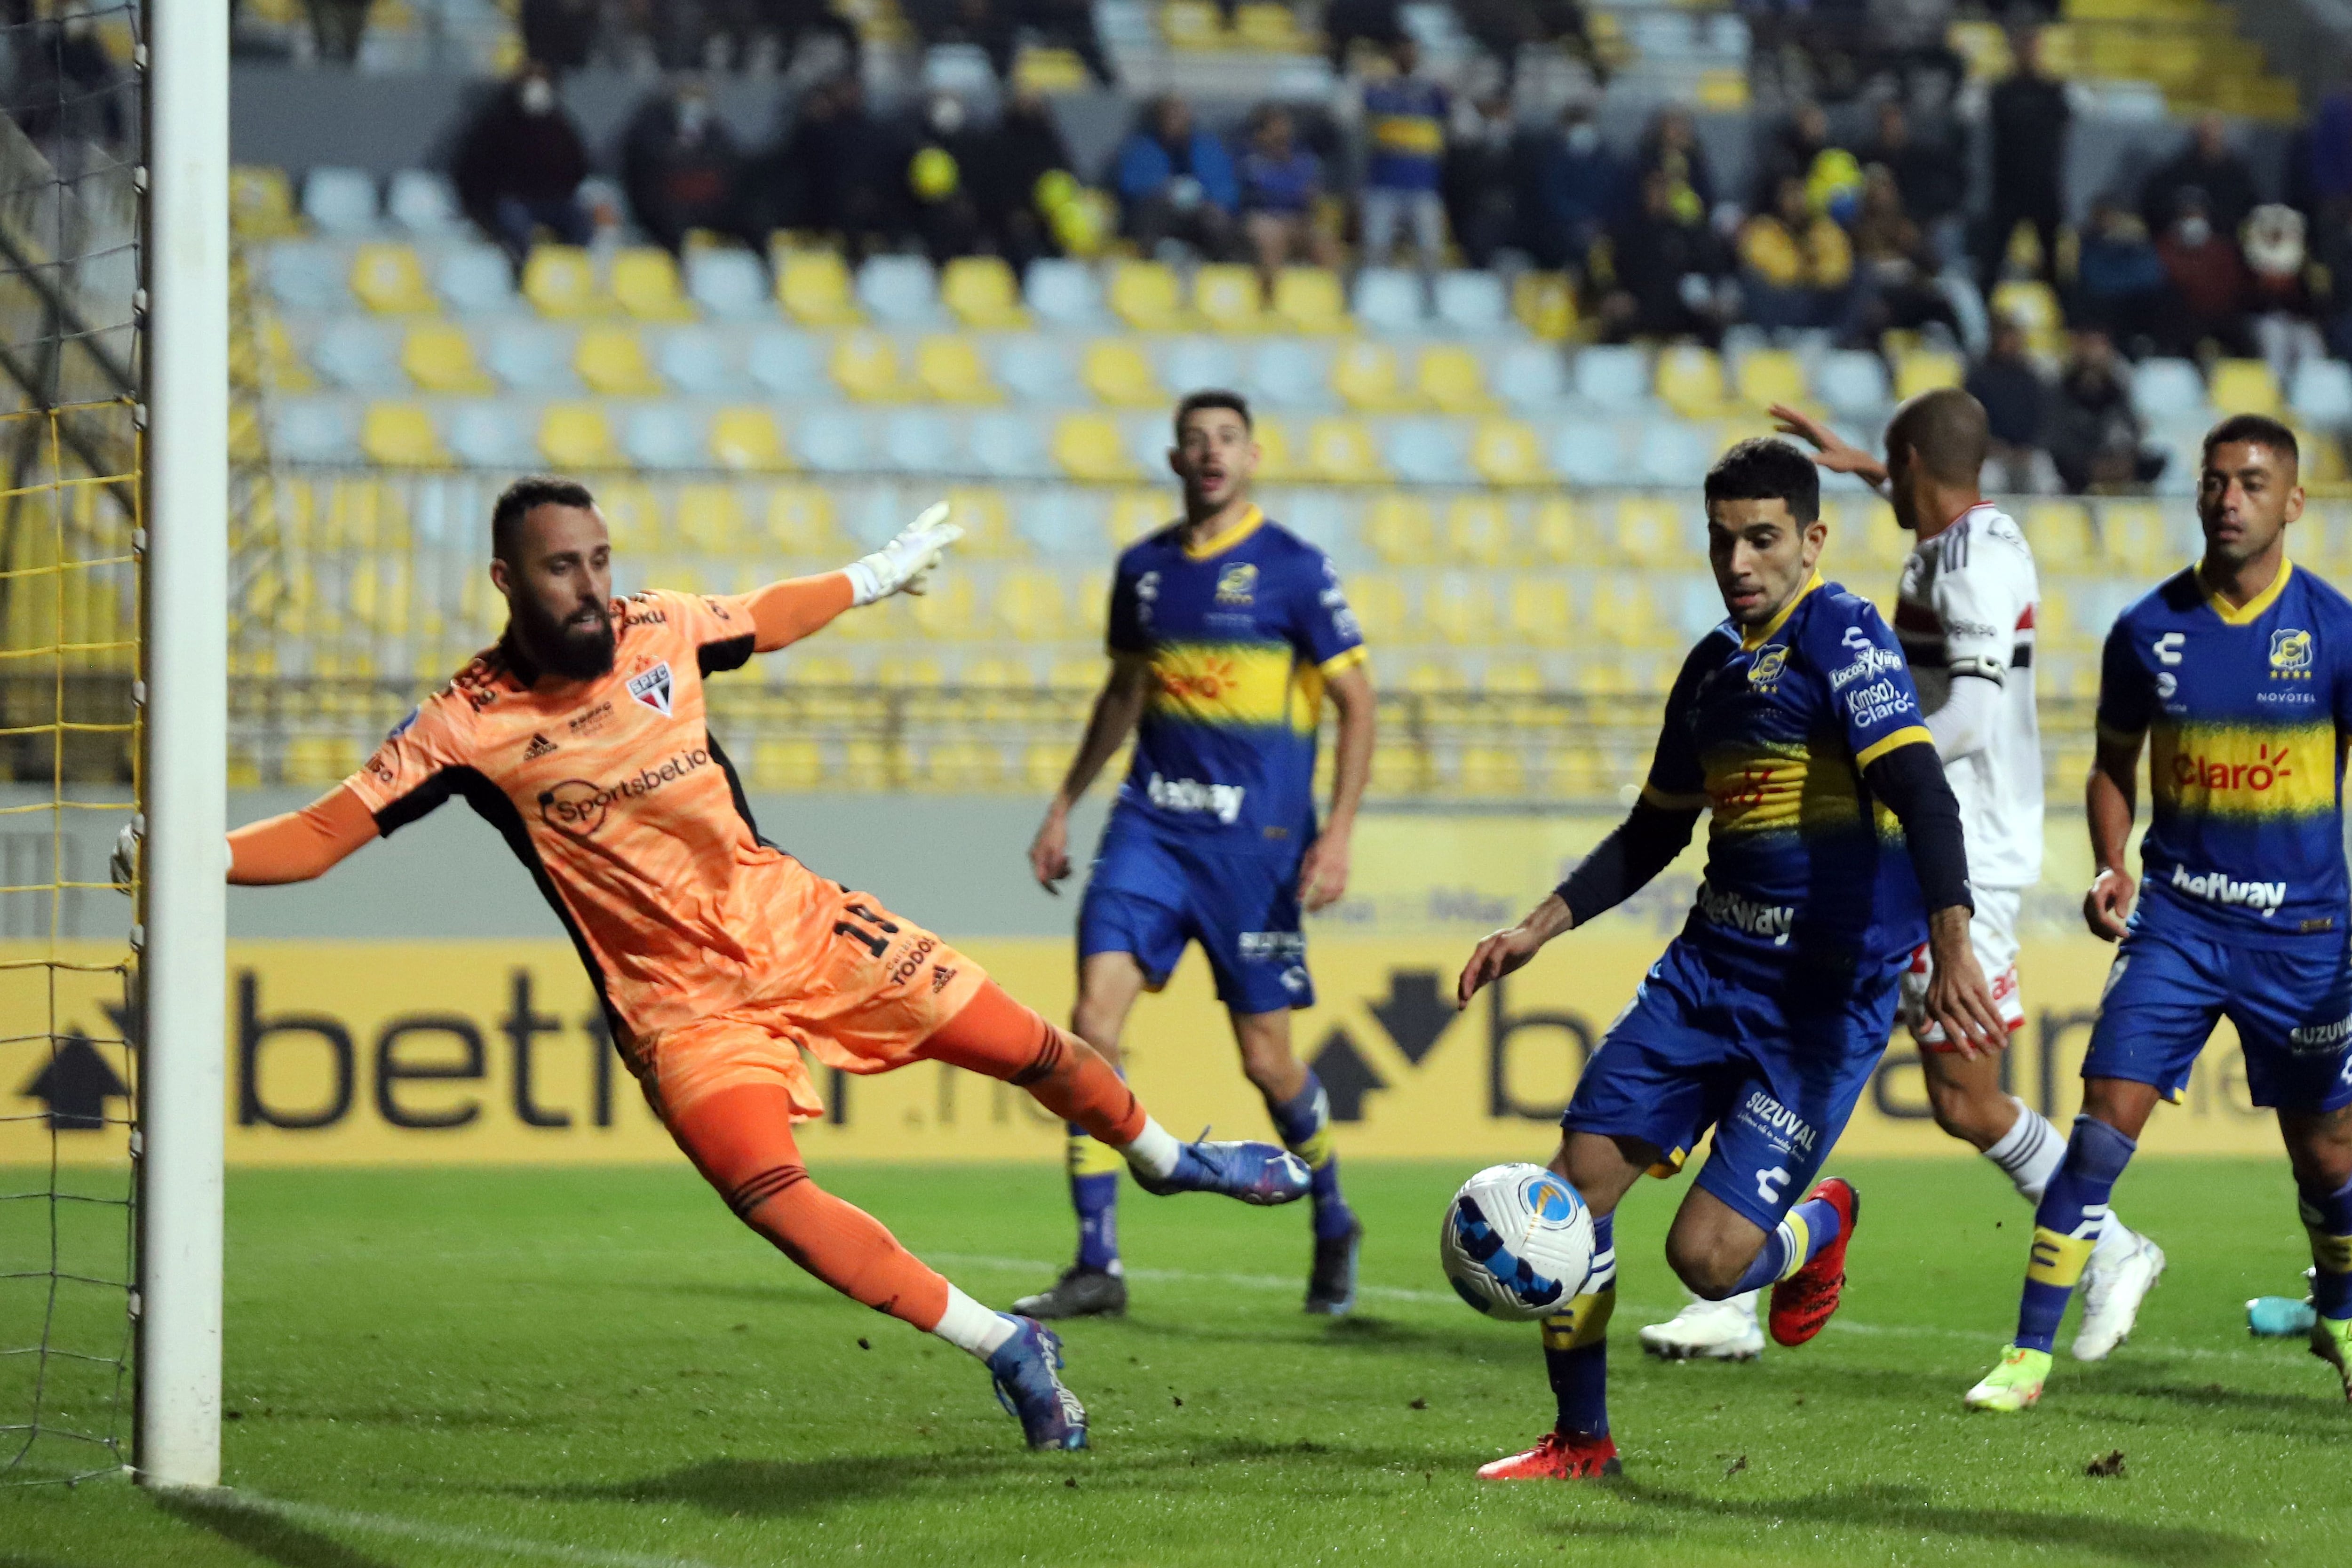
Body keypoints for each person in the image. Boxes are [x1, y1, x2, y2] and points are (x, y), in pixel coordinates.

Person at [193, 480, 1312, 1454]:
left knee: (1035, 1050)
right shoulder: (466, 723)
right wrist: (195, 856)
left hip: (804, 927)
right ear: (504, 579)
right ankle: (1006, 1344)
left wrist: (873, 575)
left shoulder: (659, 629)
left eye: (598, 560)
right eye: (560, 569)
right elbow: (323, 832)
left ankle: (1163, 1157)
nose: (588, 586)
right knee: (769, 1197)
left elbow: (766, 618)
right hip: (679, 1007)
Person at [1457, 438, 2006, 1479]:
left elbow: (1922, 793)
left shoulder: (1844, 637)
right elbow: (1652, 830)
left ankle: (1818, 1224)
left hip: (1818, 1004)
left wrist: (1952, 939)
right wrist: (1539, 922)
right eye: (1722, 541)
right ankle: (1582, 1441)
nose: (1739, 562)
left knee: (1707, 1265)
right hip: (1706, 975)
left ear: (1811, 538)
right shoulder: (1711, 668)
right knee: (1571, 1190)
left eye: (1761, 539)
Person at [1639, 393, 2165, 1364]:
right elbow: (1940, 507)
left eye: (1890, 466)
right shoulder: (1957, 537)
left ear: (1917, 461)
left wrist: (1873, 752)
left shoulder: (1971, 559)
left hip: (1962, 850)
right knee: (1794, 1039)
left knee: (1961, 1094)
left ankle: (2114, 1247)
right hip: (1915, 851)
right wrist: (1865, 467)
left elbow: (1968, 707)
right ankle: (1732, 1288)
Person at [1964, 416, 2352, 1412]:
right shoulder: (2146, 630)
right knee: (2100, 1125)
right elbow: (2110, 764)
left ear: (2293, 503)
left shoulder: (2334, 632)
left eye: (2252, 483)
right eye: (2215, 481)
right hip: (2177, 924)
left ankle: (2341, 1312)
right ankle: (2026, 1354)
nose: (2229, 498)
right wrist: (2110, 863)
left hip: (2303, 937)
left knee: (2328, 1154)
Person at [1016, 391, 1377, 1322]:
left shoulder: (1293, 570)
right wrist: (1064, 802)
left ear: (1252, 456)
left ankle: (1332, 1213)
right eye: (1194, 440)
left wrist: (1334, 834)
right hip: (1149, 829)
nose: (1210, 453)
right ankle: (1097, 1258)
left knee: (1267, 1063)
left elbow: (1359, 704)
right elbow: (1124, 692)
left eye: (1226, 439)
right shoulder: (1144, 571)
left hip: (1253, 848)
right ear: (1175, 459)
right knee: (1090, 1021)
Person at [452, 64, 595, 266]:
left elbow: (579, 164)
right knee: (517, 226)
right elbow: (475, 171)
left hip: (555, 199)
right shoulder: (497, 123)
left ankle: (574, 276)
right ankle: (527, 275)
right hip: (513, 200)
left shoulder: (558, 125)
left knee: (580, 223)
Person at [1596, 166, 1730, 346]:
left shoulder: (1689, 234)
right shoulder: (1625, 234)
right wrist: (1613, 294)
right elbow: (1608, 275)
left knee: (1717, 324)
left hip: (1683, 318)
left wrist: (1712, 298)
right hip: (1639, 316)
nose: (1661, 192)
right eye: (1655, 186)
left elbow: (1711, 272)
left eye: (1666, 186)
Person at [1979, 27, 2070, 288]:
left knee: (2052, 261)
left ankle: (2057, 316)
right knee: (1993, 259)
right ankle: (1984, 321)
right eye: (2022, 46)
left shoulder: (2053, 91)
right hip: (2008, 186)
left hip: (2043, 185)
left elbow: (2061, 130)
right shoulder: (2002, 92)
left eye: (2031, 46)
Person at [620, 78, 749, 255]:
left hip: (710, 210)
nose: (695, 104)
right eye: (689, 95)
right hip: (662, 214)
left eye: (700, 96)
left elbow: (729, 172)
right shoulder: (650, 130)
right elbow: (646, 175)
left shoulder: (717, 133)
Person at [1359, 40, 1450, 274]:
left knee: (1431, 247)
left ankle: (1431, 305)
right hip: (1384, 182)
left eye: (1412, 52)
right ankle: (1377, 297)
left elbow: (1456, 125)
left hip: (1422, 183)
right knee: (1377, 247)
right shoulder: (1378, 89)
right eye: (1403, 51)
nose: (1408, 57)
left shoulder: (1433, 92)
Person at [1113, 95, 1239, 260]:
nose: (1175, 121)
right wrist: (1166, 189)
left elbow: (1228, 190)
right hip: (1160, 209)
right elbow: (1129, 184)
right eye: (1169, 115)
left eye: (1180, 115)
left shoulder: (1208, 147)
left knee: (1217, 221)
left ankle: (1216, 268)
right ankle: (1152, 264)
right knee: (1150, 214)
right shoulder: (1142, 148)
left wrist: (1201, 195)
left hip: (1200, 210)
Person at [1237, 105, 1340, 295]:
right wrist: (1290, 193)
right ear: (1262, 133)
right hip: (1261, 217)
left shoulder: (1302, 158)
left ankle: (1332, 302)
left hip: (1297, 219)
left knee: (1324, 240)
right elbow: (1259, 192)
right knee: (1271, 237)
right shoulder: (1248, 158)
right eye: (1276, 129)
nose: (1283, 134)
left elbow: (1310, 192)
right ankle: (1269, 302)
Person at [2047, 329, 2161, 495]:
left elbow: (2130, 430)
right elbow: (2057, 435)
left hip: (2116, 460)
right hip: (2077, 461)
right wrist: (2092, 463)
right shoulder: (2062, 388)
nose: (2095, 354)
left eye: (2100, 347)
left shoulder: (2116, 390)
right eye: (2090, 346)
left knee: (2153, 463)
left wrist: (2123, 458)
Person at [1738, 175, 1853, 334]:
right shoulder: (1764, 229)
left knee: (1863, 275)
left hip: (1819, 300)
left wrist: (1816, 270)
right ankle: (1775, 338)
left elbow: (1838, 270)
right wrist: (1804, 264)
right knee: (1750, 279)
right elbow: (1770, 269)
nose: (1797, 202)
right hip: (1782, 301)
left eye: (1801, 194)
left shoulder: (1824, 229)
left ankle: (1840, 338)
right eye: (1791, 195)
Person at [2155, 188, 2255, 359]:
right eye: (2187, 215)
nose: (2193, 221)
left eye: (2197, 214)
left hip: (2223, 319)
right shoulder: (2163, 249)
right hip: (2183, 322)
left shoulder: (2224, 250)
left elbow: (2234, 289)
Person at [2140, 113, 2261, 247]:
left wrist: (2212, 218)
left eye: (2214, 127)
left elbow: (2253, 217)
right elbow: (2151, 210)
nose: (2209, 133)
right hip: (2178, 253)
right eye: (2204, 127)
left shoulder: (2239, 176)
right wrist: (2182, 215)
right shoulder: (2174, 172)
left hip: (2227, 252)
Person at [1962, 317, 2051, 492]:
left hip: (2027, 453)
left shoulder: (2030, 378)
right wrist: (1990, 446)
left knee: (2046, 481)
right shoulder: (1978, 377)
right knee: (1990, 482)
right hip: (1991, 455)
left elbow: (2045, 420)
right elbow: (1969, 421)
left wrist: (2030, 447)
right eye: (2006, 337)